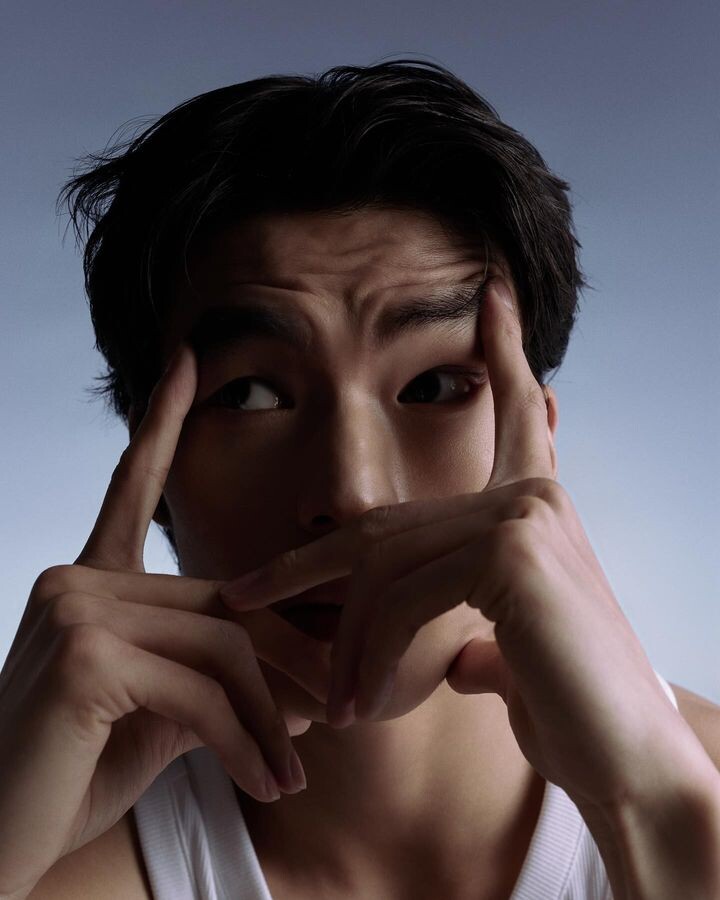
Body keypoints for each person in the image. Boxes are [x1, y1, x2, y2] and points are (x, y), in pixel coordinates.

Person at [1, 59, 718, 900]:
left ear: (539, 447)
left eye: (434, 387)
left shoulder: (695, 797)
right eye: (252, 395)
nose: (354, 496)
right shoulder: (46, 851)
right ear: (150, 468)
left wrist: (655, 816)